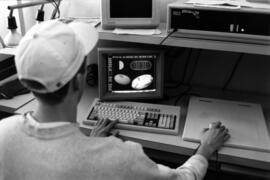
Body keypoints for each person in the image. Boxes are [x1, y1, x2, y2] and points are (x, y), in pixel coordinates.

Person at [0, 19, 230, 180]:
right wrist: (205, 149)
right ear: (80, 82)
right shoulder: (118, 158)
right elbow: (181, 178)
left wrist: (90, 143)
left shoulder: (3, 132)